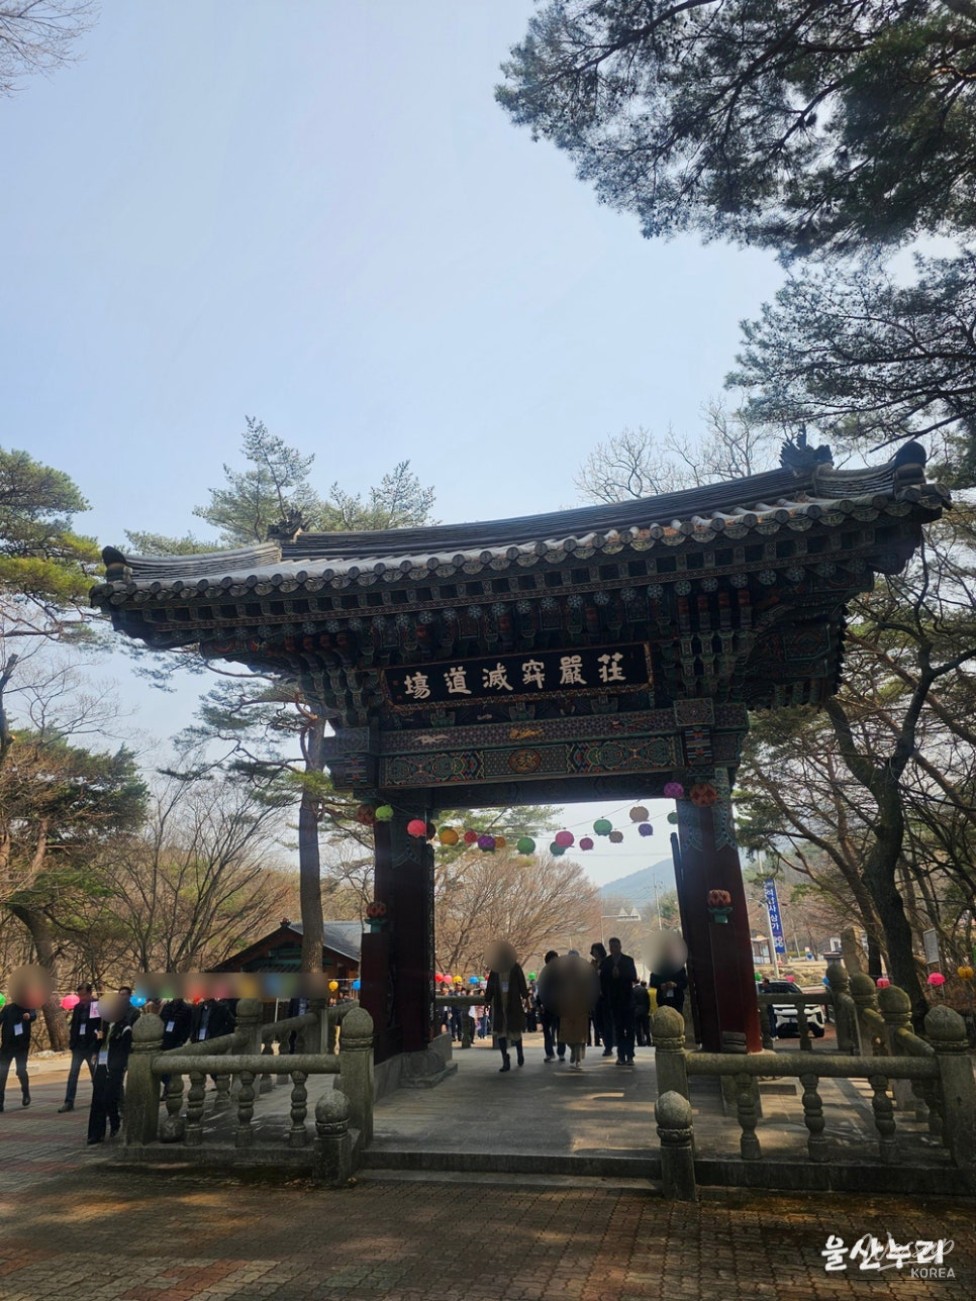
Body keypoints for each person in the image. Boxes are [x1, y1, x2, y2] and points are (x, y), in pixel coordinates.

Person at [87, 993, 139, 1144]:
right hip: (101, 1066)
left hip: (114, 1069)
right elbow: (97, 1045)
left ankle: (115, 1120)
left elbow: (124, 1051)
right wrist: (96, 1044)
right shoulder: (103, 1026)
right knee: (97, 1100)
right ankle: (95, 1134)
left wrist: (118, 1068)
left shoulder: (125, 1028)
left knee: (109, 1099)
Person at [549, 950, 599, 1071]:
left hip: (581, 1007)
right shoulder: (563, 973)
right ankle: (573, 1052)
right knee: (566, 1035)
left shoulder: (584, 972)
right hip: (566, 1007)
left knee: (579, 1036)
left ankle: (578, 1059)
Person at [484, 941, 528, 1072]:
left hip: (513, 1004)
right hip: (499, 1005)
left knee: (515, 1032)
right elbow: (490, 986)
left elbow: (522, 984)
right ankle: (505, 1059)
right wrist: (487, 1000)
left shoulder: (516, 968)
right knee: (500, 1033)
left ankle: (520, 1053)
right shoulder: (495, 969)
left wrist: (526, 998)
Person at [59, 985, 100, 1113]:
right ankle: (69, 1101)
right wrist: (72, 1043)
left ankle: (99, 1099)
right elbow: (75, 1026)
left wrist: (96, 1044)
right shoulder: (77, 1007)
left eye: (83, 995)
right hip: (78, 1046)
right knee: (73, 1074)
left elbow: (100, 1025)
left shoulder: (96, 1006)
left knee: (96, 1074)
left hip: (91, 1046)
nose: (82, 998)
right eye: (80, 995)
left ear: (90, 993)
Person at [600, 937, 638, 1065]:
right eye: (611, 947)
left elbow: (633, 977)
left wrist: (620, 974)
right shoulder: (606, 962)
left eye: (615, 946)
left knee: (630, 1029)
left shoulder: (628, 960)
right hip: (614, 1001)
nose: (613, 949)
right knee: (619, 1029)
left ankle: (630, 1055)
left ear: (620, 947)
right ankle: (621, 1055)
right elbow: (602, 981)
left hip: (627, 999)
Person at [0, 997, 37, 1112]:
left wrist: (29, 1017)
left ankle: (26, 1094)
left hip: (21, 1047)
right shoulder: (7, 1009)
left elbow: (33, 1016)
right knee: (2, 1073)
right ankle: (0, 1102)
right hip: (7, 1047)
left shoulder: (29, 1008)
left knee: (21, 1070)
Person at [536, 949, 566, 1064]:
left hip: (559, 1006)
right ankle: (549, 1053)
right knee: (547, 1032)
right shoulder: (544, 975)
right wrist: (539, 1004)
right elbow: (540, 991)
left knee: (560, 1031)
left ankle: (561, 1052)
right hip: (547, 1006)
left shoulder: (562, 973)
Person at [589, 942, 613, 1056]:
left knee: (607, 1021)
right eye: (593, 952)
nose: (595, 954)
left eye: (596, 951)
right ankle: (606, 1040)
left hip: (606, 996)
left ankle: (609, 1046)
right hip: (595, 997)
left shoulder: (607, 962)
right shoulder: (592, 964)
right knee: (598, 1022)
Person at [650, 953, 689, 1019]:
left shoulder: (679, 968)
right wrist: (660, 986)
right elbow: (652, 983)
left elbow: (684, 984)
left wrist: (675, 985)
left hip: (677, 1000)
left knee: (677, 1021)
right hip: (663, 1000)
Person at [633, 981, 652, 1048]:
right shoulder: (644, 990)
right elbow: (648, 1001)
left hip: (636, 1011)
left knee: (637, 1028)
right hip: (644, 1011)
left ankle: (640, 1042)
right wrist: (647, 1010)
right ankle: (649, 1041)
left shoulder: (633, 990)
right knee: (646, 1028)